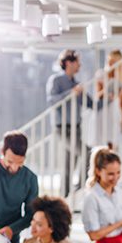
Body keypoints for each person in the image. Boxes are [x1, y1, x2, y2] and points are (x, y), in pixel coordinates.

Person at [46, 49, 92, 196]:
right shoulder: (56, 80)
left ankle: (65, 198)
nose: (80, 65)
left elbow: (91, 104)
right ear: (68, 63)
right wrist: (71, 93)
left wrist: (108, 97)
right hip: (62, 129)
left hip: (76, 129)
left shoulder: (77, 84)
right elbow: (52, 101)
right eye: (77, 62)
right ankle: (80, 188)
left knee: (68, 166)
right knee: (87, 153)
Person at [93, 49, 122, 150]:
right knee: (103, 142)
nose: (111, 64)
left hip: (115, 111)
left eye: (115, 62)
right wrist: (106, 91)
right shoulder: (101, 74)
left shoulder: (121, 78)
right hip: (103, 111)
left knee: (114, 142)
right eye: (110, 61)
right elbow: (97, 95)